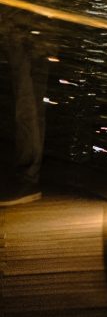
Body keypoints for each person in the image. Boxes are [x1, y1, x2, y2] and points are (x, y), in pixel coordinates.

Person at [0, 28, 44, 206]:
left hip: (25, 32)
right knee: (29, 101)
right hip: (31, 34)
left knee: (25, 102)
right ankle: (28, 175)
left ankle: (27, 176)